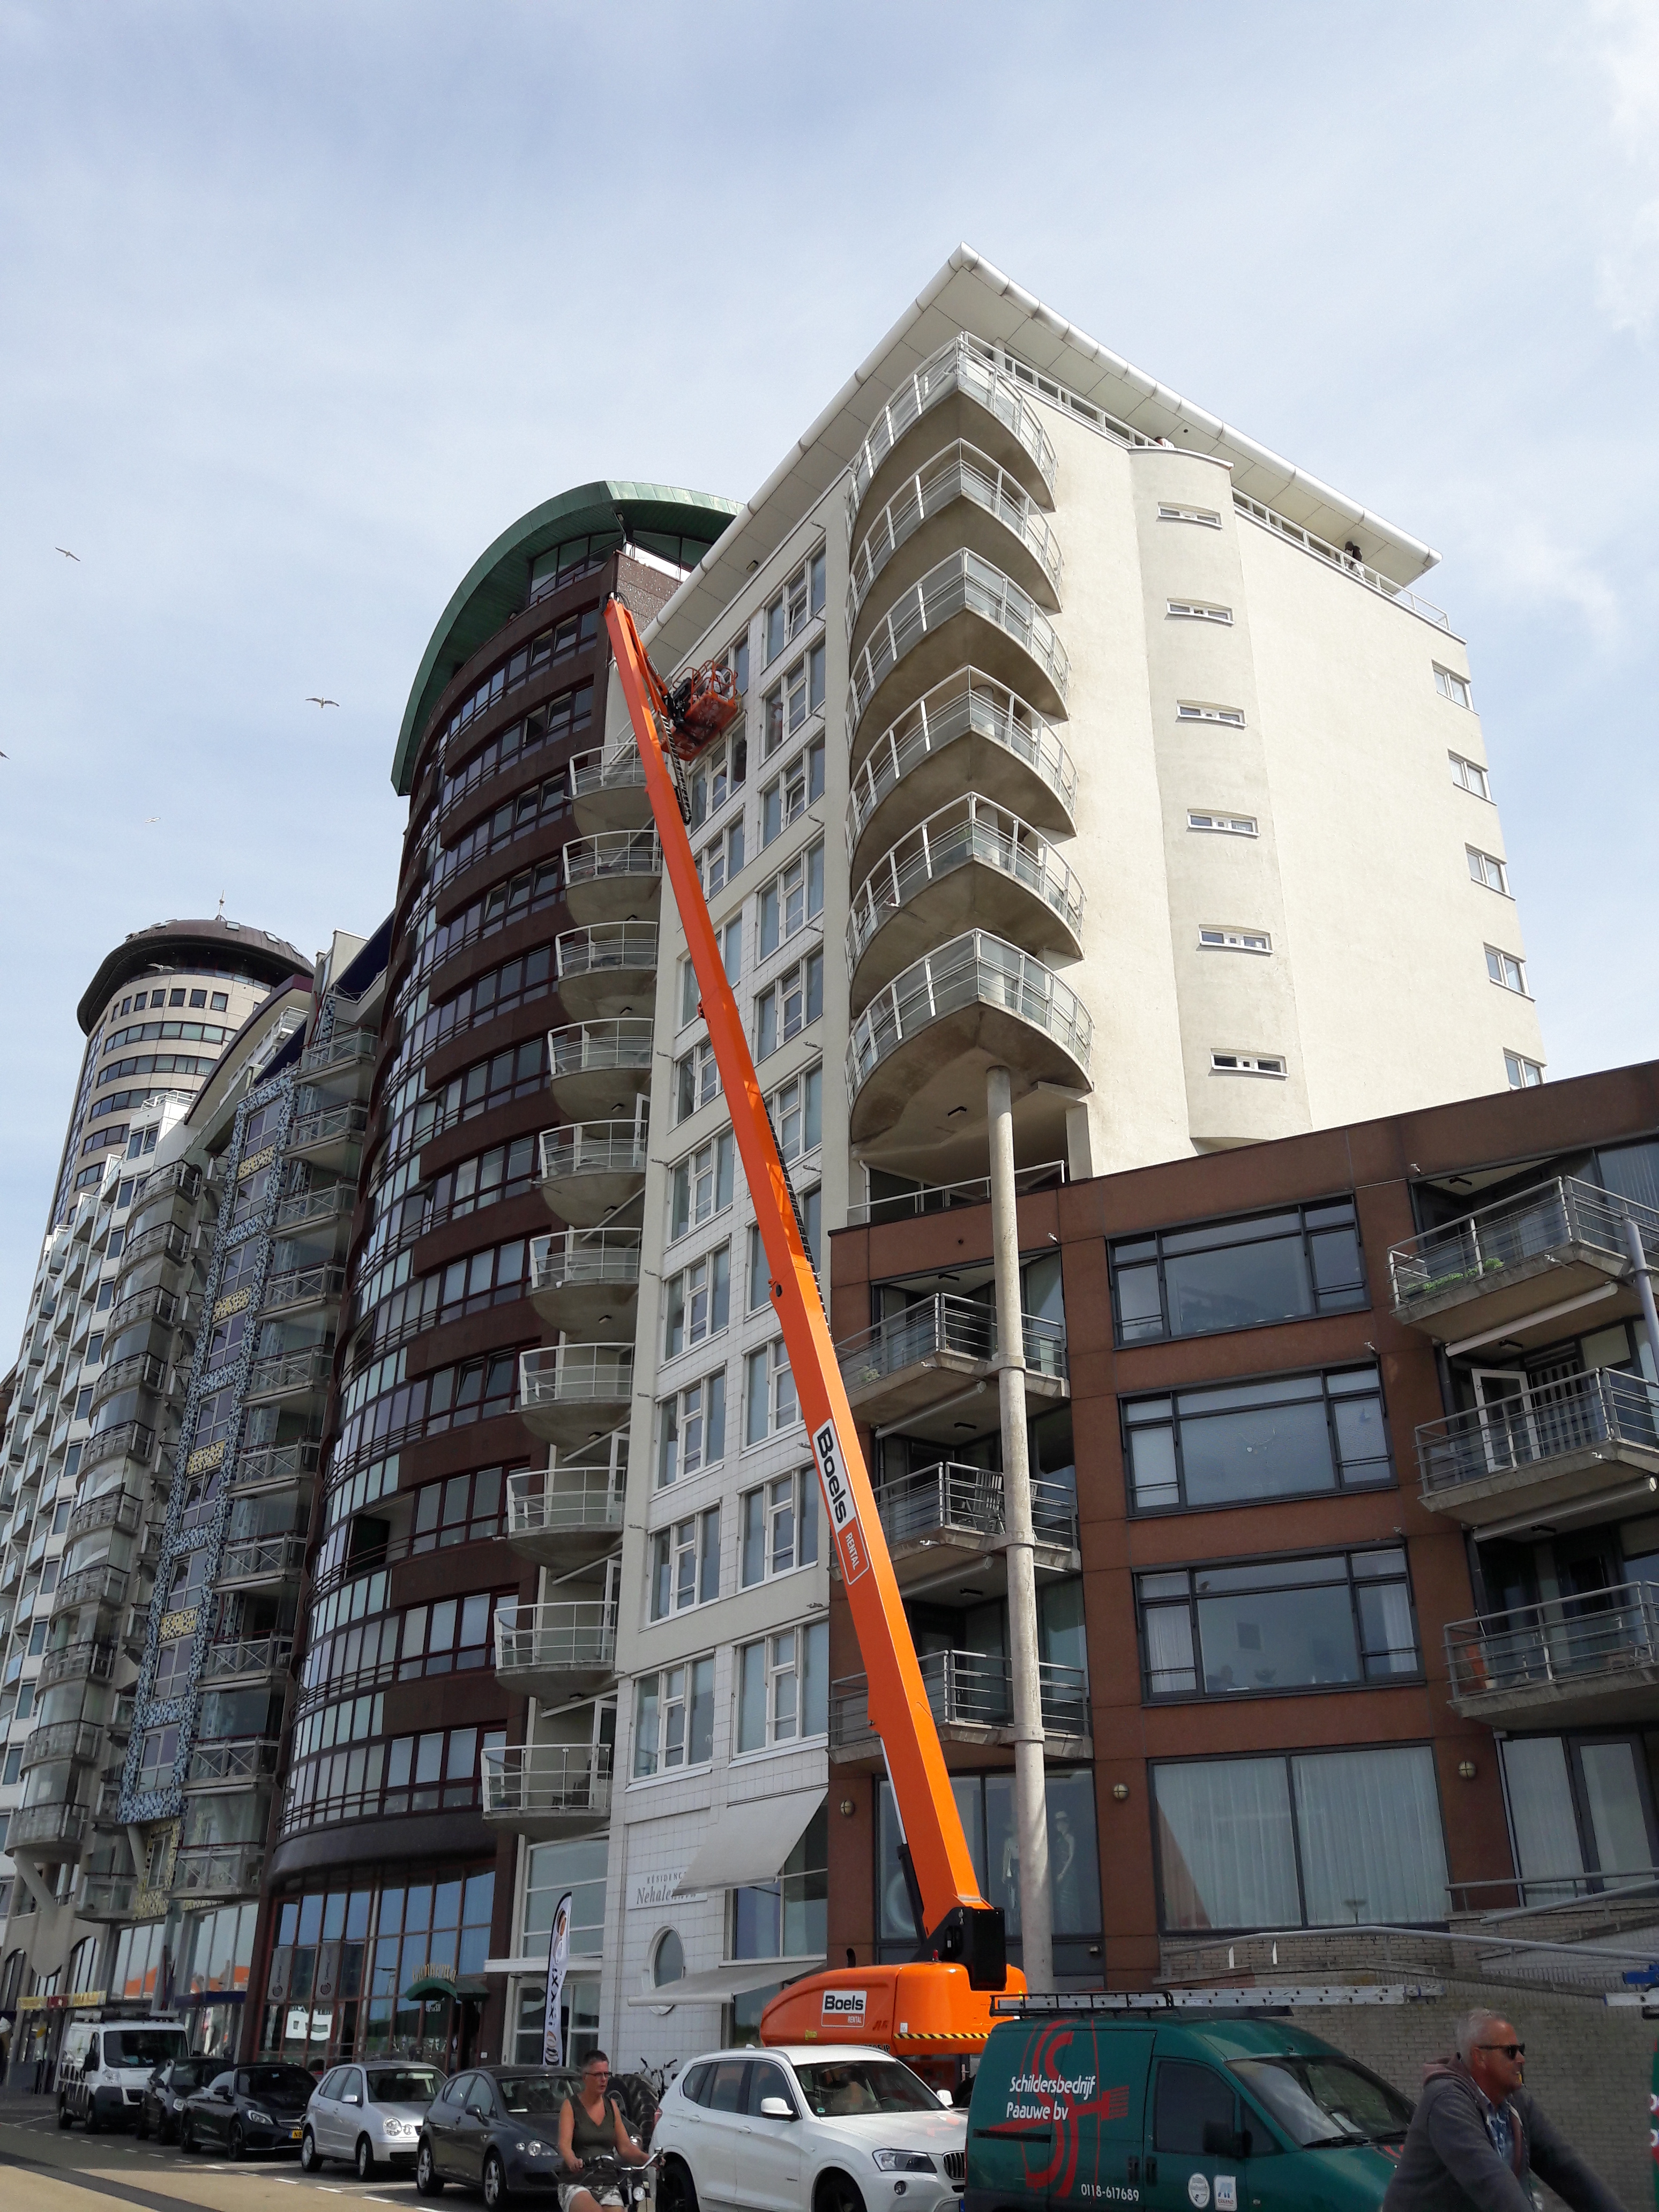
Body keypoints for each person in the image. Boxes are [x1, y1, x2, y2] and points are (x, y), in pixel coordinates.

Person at [1381, 2007, 1623, 2212]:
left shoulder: (1516, 2100)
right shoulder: (1447, 2102)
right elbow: (1492, 2181)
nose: (1521, 2059)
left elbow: (1566, 2167)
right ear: (1480, 2057)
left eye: (1521, 2049)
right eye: (1510, 2052)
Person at [558, 2051, 647, 2212]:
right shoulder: (571, 2106)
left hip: (607, 2182)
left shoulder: (612, 2106)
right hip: (577, 2182)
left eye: (606, 2074)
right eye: (598, 2075)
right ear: (585, 2077)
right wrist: (572, 2161)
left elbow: (626, 2148)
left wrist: (649, 2160)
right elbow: (564, 2145)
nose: (604, 2079)